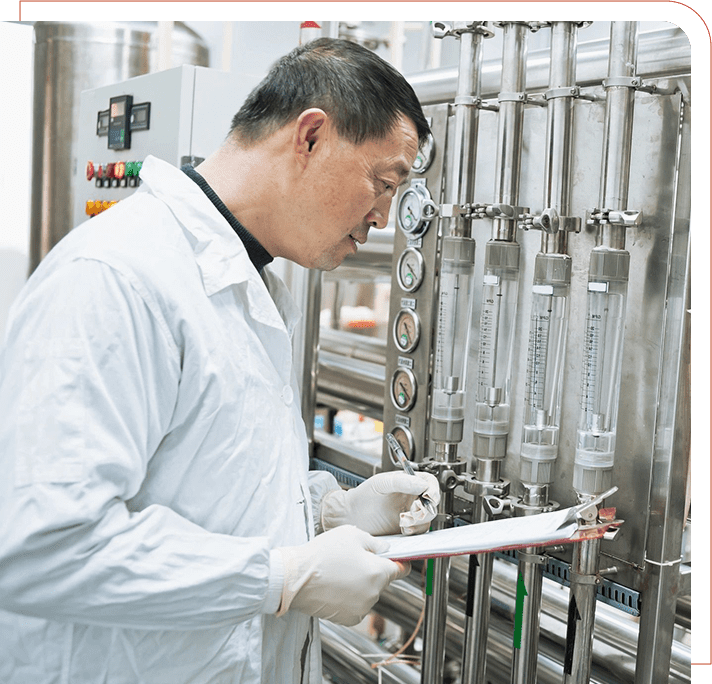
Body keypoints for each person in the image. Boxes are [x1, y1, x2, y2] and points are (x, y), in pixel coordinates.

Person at [0, 38, 439, 684]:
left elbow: (211, 489)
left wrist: (329, 510)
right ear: (311, 137)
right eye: (383, 183)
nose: (382, 217)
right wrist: (283, 578)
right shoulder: (118, 276)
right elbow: (43, 545)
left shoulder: (259, 291)